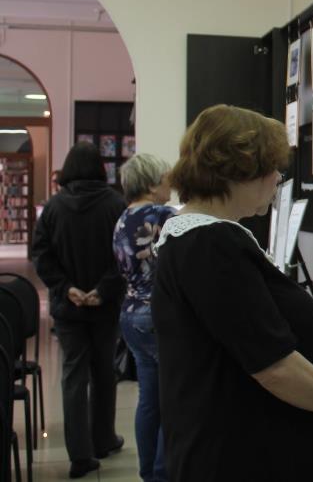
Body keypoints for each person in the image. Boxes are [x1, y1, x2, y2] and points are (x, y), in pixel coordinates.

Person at [151, 105, 313, 482]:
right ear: (237, 171)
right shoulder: (209, 244)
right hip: (242, 457)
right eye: (270, 167)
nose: (277, 177)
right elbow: (272, 364)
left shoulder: (199, 237)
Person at [31, 142, 126, 478]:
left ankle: (80, 455)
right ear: (100, 168)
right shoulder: (115, 204)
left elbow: (40, 254)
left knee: (73, 377)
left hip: (67, 307)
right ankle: (103, 439)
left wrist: (65, 287)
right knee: (104, 372)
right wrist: (104, 289)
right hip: (105, 306)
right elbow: (124, 256)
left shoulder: (54, 207)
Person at [113, 153, 176, 482]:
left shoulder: (123, 218)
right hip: (159, 315)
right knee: (173, 398)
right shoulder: (163, 215)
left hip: (131, 314)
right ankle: (164, 472)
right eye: (166, 178)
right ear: (152, 185)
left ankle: (148, 472)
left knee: (149, 399)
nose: (171, 183)